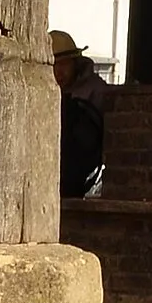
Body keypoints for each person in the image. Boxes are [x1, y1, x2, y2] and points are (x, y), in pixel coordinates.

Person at [52, 28, 107, 200]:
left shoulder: (96, 91)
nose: (59, 71)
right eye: (54, 65)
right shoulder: (42, 91)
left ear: (75, 62)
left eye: (64, 64)